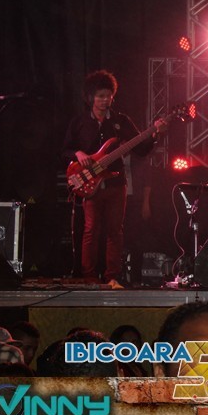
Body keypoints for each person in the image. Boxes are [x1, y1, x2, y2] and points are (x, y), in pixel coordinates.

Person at [62, 70, 167, 288]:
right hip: (90, 184)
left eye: (108, 96)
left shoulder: (121, 121)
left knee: (115, 231)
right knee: (90, 230)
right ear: (90, 97)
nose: (105, 100)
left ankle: (112, 277)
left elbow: (141, 149)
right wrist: (78, 154)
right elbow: (65, 150)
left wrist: (156, 134)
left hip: (116, 183)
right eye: (100, 96)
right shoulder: (79, 122)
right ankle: (89, 276)